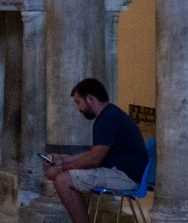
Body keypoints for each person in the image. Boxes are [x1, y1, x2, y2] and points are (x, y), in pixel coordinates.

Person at [41, 78, 150, 223]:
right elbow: (93, 153)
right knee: (67, 176)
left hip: (126, 177)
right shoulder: (110, 114)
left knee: (63, 180)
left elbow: (94, 159)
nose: (78, 108)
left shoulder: (108, 118)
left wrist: (61, 168)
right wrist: (64, 159)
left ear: (90, 99)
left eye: (78, 102)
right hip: (121, 173)